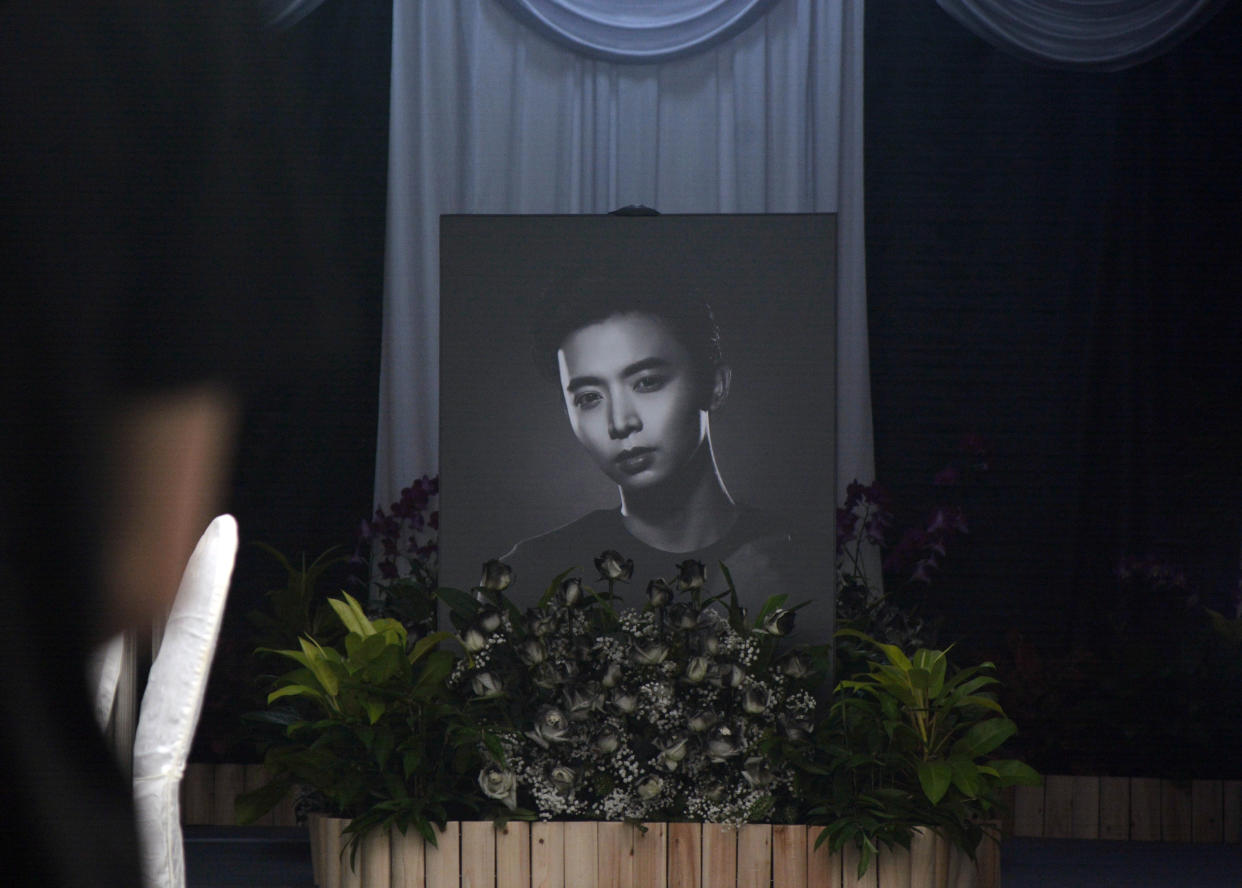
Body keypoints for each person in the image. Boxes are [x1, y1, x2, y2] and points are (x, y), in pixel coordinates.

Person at [502, 270, 833, 642]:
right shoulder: (529, 577)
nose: (620, 422)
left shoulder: (805, 564)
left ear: (715, 385)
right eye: (589, 398)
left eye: (646, 382)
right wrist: (721, 617)